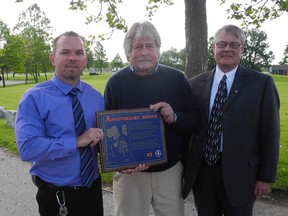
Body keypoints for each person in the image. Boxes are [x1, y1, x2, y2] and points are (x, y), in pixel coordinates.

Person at [182, 24, 280, 216]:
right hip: (203, 172)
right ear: (214, 48)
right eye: (222, 44)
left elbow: (270, 133)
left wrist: (265, 177)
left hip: (242, 174)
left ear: (242, 49)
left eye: (234, 45)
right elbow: (189, 130)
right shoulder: (195, 84)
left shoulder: (261, 84)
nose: (227, 49)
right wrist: (185, 169)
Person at [104, 21, 198, 216]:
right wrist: (121, 163)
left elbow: (195, 120)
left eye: (150, 46)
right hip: (130, 175)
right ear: (128, 52)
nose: (144, 52)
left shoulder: (177, 79)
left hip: (169, 171)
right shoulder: (115, 83)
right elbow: (106, 131)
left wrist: (174, 117)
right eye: (138, 47)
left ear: (158, 49)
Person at [15, 31, 104, 216]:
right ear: (52, 58)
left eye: (79, 53)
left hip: (93, 191)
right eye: (65, 52)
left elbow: (106, 139)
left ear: (85, 59)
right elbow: (28, 148)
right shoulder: (34, 98)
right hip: (56, 196)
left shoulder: (96, 97)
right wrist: (76, 141)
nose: (73, 57)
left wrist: (128, 160)